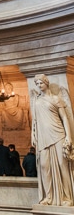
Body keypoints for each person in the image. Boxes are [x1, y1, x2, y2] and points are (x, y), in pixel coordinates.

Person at [32, 74, 74, 206]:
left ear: (46, 83)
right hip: (43, 137)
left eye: (41, 83)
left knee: (63, 165)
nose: (39, 85)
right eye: (37, 84)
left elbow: (65, 118)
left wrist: (69, 136)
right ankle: (48, 197)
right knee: (44, 166)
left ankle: (67, 198)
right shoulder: (37, 101)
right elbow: (35, 121)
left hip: (58, 135)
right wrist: (32, 135)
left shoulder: (56, 99)